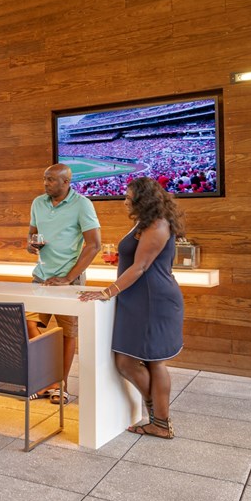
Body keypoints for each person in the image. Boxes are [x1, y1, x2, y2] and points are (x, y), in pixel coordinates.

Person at [79, 177, 185, 438]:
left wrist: (106, 292)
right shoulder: (145, 222)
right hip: (137, 300)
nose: (124, 200)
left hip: (154, 301)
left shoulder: (158, 224)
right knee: (126, 361)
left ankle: (160, 422)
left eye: (129, 197)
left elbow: (140, 267)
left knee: (154, 362)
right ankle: (157, 417)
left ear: (144, 199)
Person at [25, 163, 101, 405]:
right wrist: (31, 245)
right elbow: (32, 235)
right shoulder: (38, 203)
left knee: (68, 334)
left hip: (70, 281)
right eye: (44, 179)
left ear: (66, 182)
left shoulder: (82, 204)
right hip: (41, 277)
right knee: (28, 324)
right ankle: (49, 380)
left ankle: (61, 385)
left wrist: (68, 278)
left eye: (50, 180)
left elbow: (94, 245)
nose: (45, 184)